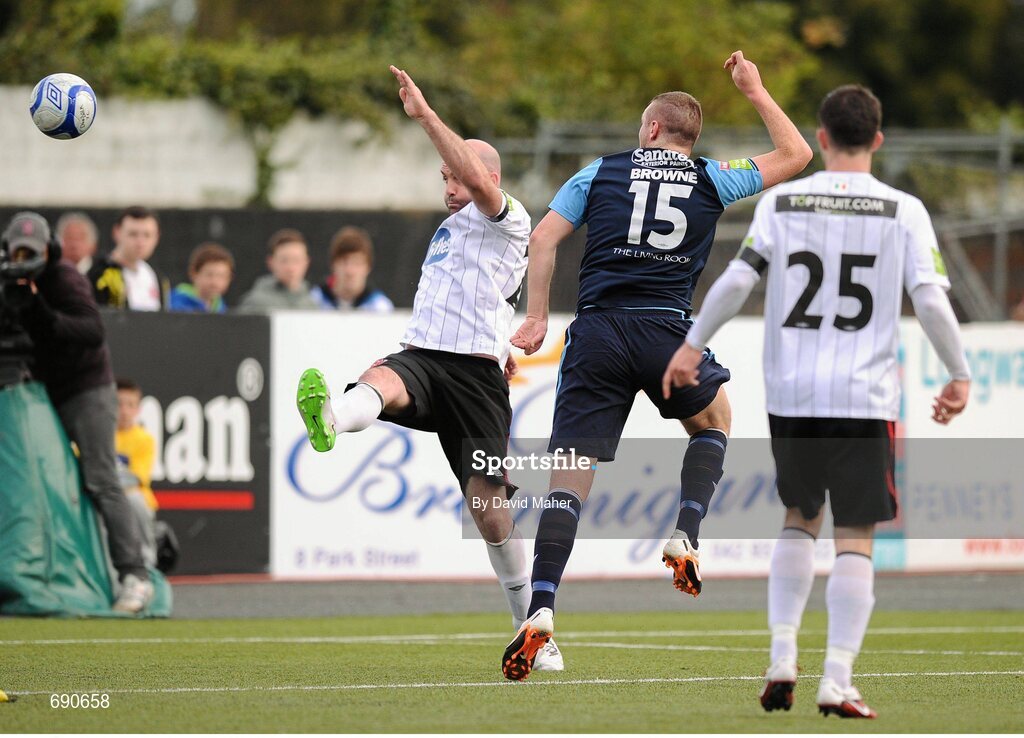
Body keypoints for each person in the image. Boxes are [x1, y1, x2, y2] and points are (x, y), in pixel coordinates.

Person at [661, 85, 971, 718]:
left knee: (799, 520)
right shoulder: (903, 210)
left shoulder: (784, 202)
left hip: (794, 393)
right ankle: (836, 677)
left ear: (823, 138)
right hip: (864, 395)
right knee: (855, 534)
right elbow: (932, 300)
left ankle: (781, 656)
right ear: (877, 140)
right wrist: (958, 372)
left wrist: (692, 344)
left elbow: (739, 279)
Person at [502, 50, 812, 681]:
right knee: (716, 420)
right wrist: (753, 89)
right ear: (688, 138)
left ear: (649, 129)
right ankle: (687, 531)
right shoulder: (711, 178)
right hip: (666, 332)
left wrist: (535, 318)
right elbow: (797, 155)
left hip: (596, 333)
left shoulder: (598, 173)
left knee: (570, 474)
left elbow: (542, 239)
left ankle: (541, 612)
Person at [296, 65, 562, 670]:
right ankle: (331, 417)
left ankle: (533, 632)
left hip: (474, 377)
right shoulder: (448, 230)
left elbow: (472, 171)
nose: (448, 183)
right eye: (443, 176)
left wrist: (425, 117)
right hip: (423, 357)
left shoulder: (510, 218)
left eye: (457, 176)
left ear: (488, 178)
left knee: (490, 513)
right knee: (379, 381)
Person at [5, 212, 153, 612]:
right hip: (41, 394)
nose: (22, 259)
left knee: (101, 479)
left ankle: (135, 575)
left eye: (29, 252)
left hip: (86, 389)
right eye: (16, 251)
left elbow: (92, 330)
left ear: (47, 250)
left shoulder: (63, 278)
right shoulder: (7, 283)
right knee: (39, 480)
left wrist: (45, 315)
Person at [87, 206, 168, 311]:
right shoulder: (99, 274)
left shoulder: (157, 278)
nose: (140, 242)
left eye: (147, 235)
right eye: (133, 234)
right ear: (117, 233)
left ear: (157, 237)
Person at [115, 377, 159, 568]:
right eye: (118, 404)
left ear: (138, 409)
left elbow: (136, 479)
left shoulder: (144, 440)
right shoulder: (100, 435)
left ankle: (147, 563)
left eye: (130, 405)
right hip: (106, 495)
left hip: (131, 496)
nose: (124, 411)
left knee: (135, 499)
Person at [312, 226, 394, 313]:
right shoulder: (313, 302)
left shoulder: (381, 308)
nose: (349, 271)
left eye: (357, 263)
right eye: (344, 262)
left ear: (368, 267)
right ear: (333, 264)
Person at [236, 229, 321, 312]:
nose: (291, 267)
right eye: (284, 260)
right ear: (270, 262)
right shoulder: (255, 303)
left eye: (297, 260)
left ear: (306, 263)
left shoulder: (312, 305)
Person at [169, 242, 235, 313]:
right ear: (193, 274)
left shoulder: (221, 308)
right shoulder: (175, 302)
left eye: (221, 276)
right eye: (209, 275)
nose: (214, 282)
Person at [55, 211, 98, 275]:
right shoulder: (51, 273)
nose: (74, 244)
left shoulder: (101, 275)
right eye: (69, 237)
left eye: (80, 238)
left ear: (93, 246)